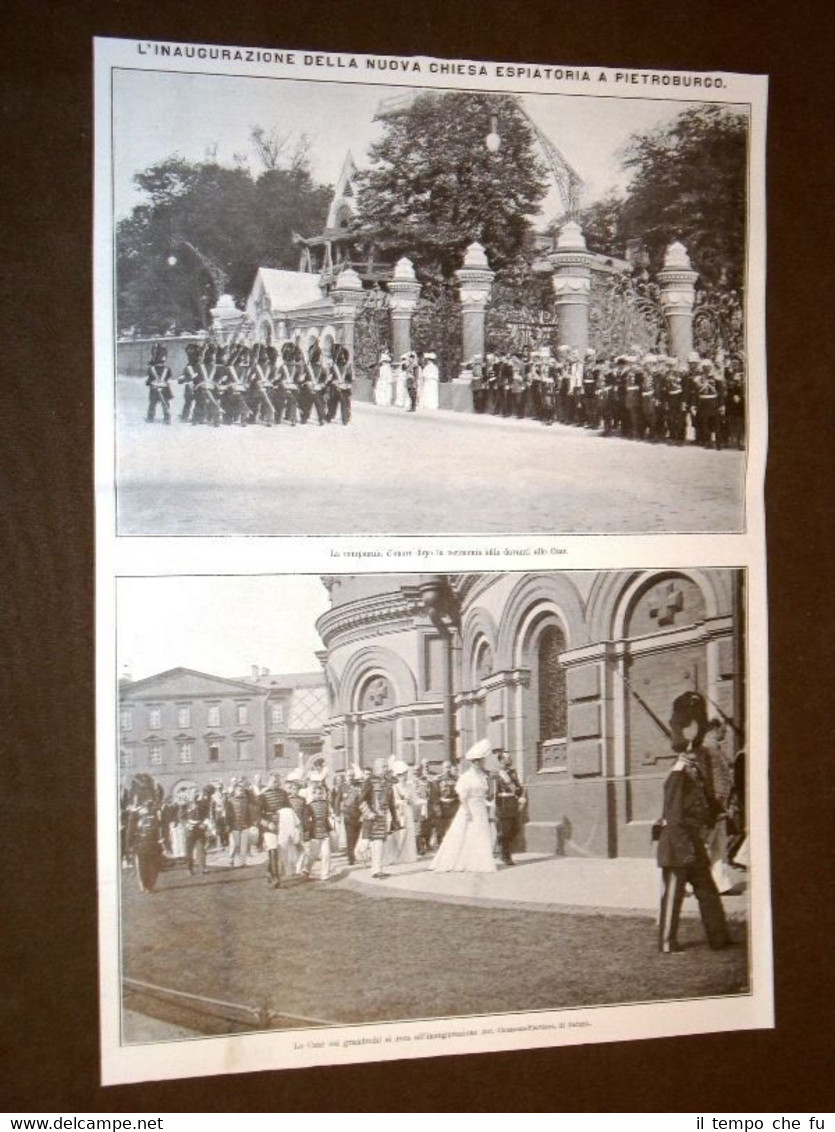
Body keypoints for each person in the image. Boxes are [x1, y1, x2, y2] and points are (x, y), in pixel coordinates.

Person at [656, 728, 731, 954]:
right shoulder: (678, 775)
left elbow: (705, 803)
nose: (697, 754)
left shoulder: (694, 772)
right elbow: (674, 816)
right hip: (677, 845)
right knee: (673, 896)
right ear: (684, 752)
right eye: (692, 750)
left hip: (694, 842)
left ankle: (719, 939)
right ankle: (667, 943)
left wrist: (717, 813)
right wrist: (685, 849)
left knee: (708, 891)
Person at [432, 740, 497, 873]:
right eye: (479, 761)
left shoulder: (483, 776)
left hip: (480, 809)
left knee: (481, 835)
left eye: (482, 761)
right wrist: (467, 811)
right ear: (474, 762)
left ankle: (479, 862)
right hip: (469, 808)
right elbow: (462, 797)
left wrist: (489, 804)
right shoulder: (465, 777)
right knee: (464, 835)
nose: (481, 763)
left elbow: (485, 794)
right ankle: (460, 861)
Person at [359, 758, 400, 879]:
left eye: (386, 766)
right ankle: (373, 868)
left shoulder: (388, 782)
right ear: (376, 768)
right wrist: (369, 813)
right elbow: (361, 800)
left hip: (383, 817)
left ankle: (377, 870)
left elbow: (391, 801)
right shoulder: (369, 781)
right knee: (372, 843)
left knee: (380, 843)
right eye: (383, 766)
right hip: (372, 817)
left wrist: (394, 818)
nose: (386, 769)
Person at [493, 751, 525, 866]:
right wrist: (496, 809)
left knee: (515, 830)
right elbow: (493, 793)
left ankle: (502, 849)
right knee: (505, 832)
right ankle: (506, 856)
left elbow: (517, 786)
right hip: (503, 805)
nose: (509, 760)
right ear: (501, 760)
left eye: (509, 758)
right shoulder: (496, 774)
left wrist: (521, 795)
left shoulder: (513, 772)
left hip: (513, 804)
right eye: (507, 758)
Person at [259, 773, 289, 889]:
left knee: (280, 850)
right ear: (268, 782)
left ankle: (270, 871)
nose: (275, 783)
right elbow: (257, 814)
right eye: (273, 781)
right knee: (273, 850)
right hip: (269, 825)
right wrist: (267, 823)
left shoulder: (283, 794)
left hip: (282, 824)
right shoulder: (263, 795)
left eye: (277, 781)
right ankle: (276, 878)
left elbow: (288, 808)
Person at [127, 802, 164, 893]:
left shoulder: (154, 816)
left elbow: (158, 829)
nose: (147, 809)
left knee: (155, 867)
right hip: (141, 844)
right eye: (144, 807)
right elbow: (130, 832)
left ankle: (151, 885)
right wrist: (130, 845)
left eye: (148, 806)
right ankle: (146, 886)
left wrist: (161, 840)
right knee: (143, 867)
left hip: (154, 844)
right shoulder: (134, 818)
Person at [387, 760, 418, 865]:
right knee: (400, 834)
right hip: (399, 812)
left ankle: (409, 856)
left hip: (408, 811)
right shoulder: (395, 787)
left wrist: (412, 800)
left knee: (409, 833)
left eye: (405, 774)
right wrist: (403, 801)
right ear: (398, 776)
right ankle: (397, 855)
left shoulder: (410, 786)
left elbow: (414, 800)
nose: (404, 777)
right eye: (402, 775)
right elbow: (394, 801)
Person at [145, 343, 173, 423]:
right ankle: (167, 417)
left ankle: (150, 417)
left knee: (152, 404)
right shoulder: (167, 369)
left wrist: (149, 382)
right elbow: (168, 377)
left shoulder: (151, 369)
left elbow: (149, 379)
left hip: (154, 388)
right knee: (166, 404)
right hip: (165, 388)